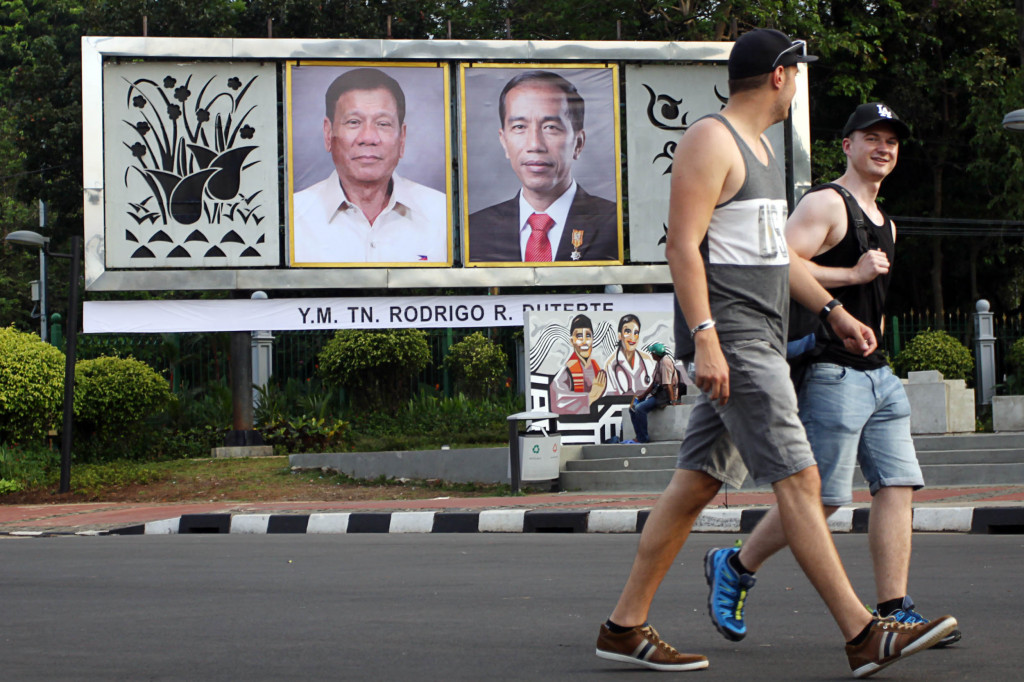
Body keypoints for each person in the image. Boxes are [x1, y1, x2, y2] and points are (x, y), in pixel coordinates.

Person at [594, 29, 956, 678]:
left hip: (761, 342)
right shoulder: (713, 139)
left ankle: (624, 626)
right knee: (803, 480)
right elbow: (681, 246)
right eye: (799, 71)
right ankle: (862, 634)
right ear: (781, 76)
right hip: (734, 343)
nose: (801, 82)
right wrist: (704, 336)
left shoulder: (761, 150)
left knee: (695, 485)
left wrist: (834, 311)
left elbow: (772, 261)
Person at [704, 102, 961, 646]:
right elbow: (780, 261)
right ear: (846, 145)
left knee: (897, 485)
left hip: (878, 375)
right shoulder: (827, 202)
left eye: (891, 140)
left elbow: (877, 297)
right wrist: (849, 277)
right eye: (872, 137)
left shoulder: (888, 222)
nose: (883, 148)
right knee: (820, 496)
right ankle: (736, 564)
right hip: (831, 368)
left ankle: (896, 607)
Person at [292, 68, 448, 264]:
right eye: (354, 122)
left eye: (383, 124)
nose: (368, 138)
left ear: (402, 138)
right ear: (328, 133)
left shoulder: (443, 214)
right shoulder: (292, 218)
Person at [467, 70, 619, 263]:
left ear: (578, 143)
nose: (535, 145)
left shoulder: (615, 224)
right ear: (504, 141)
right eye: (520, 127)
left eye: (551, 127)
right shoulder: (475, 230)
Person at [549, 314, 607, 414]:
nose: (584, 341)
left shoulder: (597, 370)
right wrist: (591, 396)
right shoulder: (567, 371)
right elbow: (558, 403)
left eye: (588, 336)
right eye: (579, 336)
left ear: (593, 339)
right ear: (572, 341)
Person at [627, 342, 678, 443]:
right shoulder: (659, 362)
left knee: (640, 409)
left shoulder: (665, 362)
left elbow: (668, 385)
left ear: (656, 354)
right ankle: (639, 436)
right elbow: (653, 384)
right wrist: (643, 396)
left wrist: (673, 401)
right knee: (632, 409)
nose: (651, 354)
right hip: (658, 393)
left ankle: (643, 438)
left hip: (664, 396)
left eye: (652, 353)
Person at [603, 314, 656, 396]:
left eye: (636, 332)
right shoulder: (611, 364)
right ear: (620, 336)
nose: (632, 337)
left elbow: (655, 389)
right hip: (619, 408)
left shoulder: (647, 360)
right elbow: (610, 398)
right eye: (627, 331)